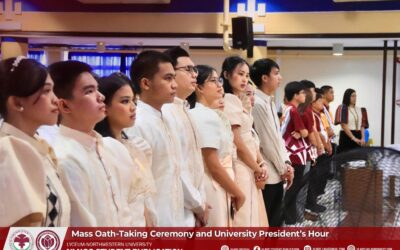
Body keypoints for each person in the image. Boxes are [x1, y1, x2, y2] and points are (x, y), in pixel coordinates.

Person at [49, 60, 135, 226]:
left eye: (97, 89)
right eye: (89, 91)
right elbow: (82, 226)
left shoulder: (112, 147)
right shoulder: (64, 157)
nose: (101, 96)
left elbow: (125, 209)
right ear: (65, 105)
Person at [0, 57, 70, 226]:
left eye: (52, 90)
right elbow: (19, 238)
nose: (56, 99)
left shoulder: (37, 144)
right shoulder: (8, 150)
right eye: (46, 91)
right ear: (17, 103)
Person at [125, 50, 186, 226]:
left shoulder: (166, 116)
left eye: (174, 78)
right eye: (167, 78)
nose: (174, 85)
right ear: (145, 83)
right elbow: (139, 185)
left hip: (174, 215)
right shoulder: (138, 122)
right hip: (155, 220)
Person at [94, 72, 158, 226]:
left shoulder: (135, 146)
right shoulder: (104, 148)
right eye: (124, 101)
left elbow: (145, 198)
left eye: (134, 101)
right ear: (105, 106)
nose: (133, 108)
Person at [188, 64, 245, 227]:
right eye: (213, 81)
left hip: (219, 180)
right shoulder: (204, 115)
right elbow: (213, 164)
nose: (220, 85)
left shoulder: (206, 113)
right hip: (213, 182)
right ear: (199, 88)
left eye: (219, 80)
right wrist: (238, 192)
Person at [162, 47, 209, 227]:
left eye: (194, 69)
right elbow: (177, 166)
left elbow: (196, 162)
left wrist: (201, 201)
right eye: (188, 70)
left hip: (194, 204)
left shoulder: (185, 108)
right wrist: (197, 204)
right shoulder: (166, 111)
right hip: (176, 208)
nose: (194, 74)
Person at [221, 56, 268, 227]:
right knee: (244, 217)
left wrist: (260, 163)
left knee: (252, 215)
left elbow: (250, 137)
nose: (244, 79)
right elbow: (238, 142)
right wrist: (258, 168)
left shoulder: (240, 100)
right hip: (240, 164)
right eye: (240, 74)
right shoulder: (228, 99)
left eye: (246, 75)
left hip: (250, 163)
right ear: (226, 74)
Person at [250, 58, 294, 227]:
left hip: (278, 171)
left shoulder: (268, 101)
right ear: (264, 78)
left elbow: (277, 138)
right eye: (276, 74)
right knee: (269, 222)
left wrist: (287, 163)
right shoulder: (258, 104)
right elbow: (267, 143)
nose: (280, 78)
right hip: (268, 173)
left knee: (276, 220)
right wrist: (284, 168)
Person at [280, 81, 308, 225]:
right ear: (295, 95)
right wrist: (303, 132)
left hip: (290, 153)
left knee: (291, 189)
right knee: (293, 189)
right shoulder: (293, 110)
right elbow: (304, 132)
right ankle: (289, 219)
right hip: (294, 154)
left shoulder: (288, 109)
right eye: (302, 93)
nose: (305, 95)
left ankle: (289, 217)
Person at [335, 88, 365, 153]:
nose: (355, 98)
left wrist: (363, 138)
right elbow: (343, 125)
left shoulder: (359, 109)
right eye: (352, 96)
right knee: (345, 159)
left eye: (355, 96)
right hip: (347, 136)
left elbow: (362, 125)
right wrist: (353, 138)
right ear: (347, 96)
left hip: (358, 135)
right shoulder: (343, 108)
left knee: (357, 159)